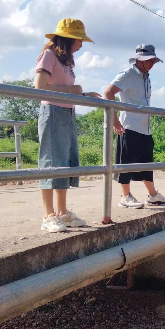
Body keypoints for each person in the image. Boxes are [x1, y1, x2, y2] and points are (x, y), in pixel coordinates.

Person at [35, 18, 100, 233]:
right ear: (69, 39)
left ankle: (62, 212)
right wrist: (73, 92)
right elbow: (40, 87)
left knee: (64, 163)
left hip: (67, 112)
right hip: (52, 112)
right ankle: (48, 215)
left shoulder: (66, 61)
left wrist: (82, 93)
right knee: (50, 162)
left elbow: (67, 88)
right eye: (79, 40)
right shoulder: (48, 55)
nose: (81, 45)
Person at [102, 44, 165, 208]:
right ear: (139, 60)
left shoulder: (145, 76)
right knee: (126, 162)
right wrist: (114, 120)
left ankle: (153, 195)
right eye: (150, 60)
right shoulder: (127, 74)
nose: (152, 63)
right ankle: (125, 196)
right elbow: (108, 93)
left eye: (154, 60)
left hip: (145, 127)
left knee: (146, 162)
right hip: (129, 125)